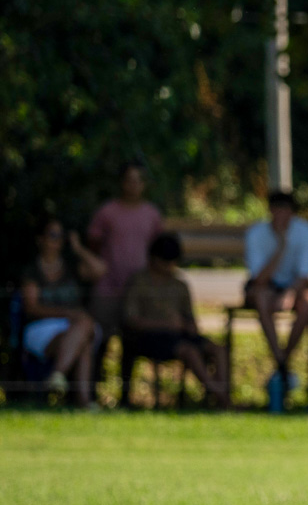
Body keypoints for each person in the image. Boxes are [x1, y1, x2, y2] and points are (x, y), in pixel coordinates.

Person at [121, 232, 227, 406]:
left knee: (218, 350)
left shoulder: (179, 285)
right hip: (148, 337)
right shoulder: (138, 282)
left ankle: (221, 396)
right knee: (189, 351)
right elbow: (130, 320)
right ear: (154, 259)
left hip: (179, 335)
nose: (170, 266)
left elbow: (191, 318)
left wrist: (189, 326)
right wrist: (164, 324)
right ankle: (223, 400)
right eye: (166, 261)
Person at [244, 190, 308, 411]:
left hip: (295, 287)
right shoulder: (256, 233)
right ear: (270, 211)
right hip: (264, 287)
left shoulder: (306, 232)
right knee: (262, 298)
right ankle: (283, 364)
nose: (281, 216)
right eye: (276, 210)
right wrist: (281, 247)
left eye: (285, 210)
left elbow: (304, 276)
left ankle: (282, 363)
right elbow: (258, 279)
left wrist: (289, 295)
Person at [18, 217, 105, 405]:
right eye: (52, 234)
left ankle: (58, 376)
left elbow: (100, 270)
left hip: (74, 328)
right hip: (42, 328)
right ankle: (83, 401)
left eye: (61, 235)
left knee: (83, 330)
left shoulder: (72, 266)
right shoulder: (32, 271)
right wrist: (68, 313)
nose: (57, 240)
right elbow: (31, 307)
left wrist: (78, 248)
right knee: (85, 329)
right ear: (40, 239)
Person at [86, 161, 163, 353]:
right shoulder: (107, 212)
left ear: (144, 184)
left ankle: (126, 384)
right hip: (107, 289)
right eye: (129, 180)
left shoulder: (152, 214)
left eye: (138, 181)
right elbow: (93, 243)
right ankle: (93, 383)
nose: (133, 185)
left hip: (138, 291)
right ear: (122, 182)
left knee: (132, 345)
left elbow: (157, 250)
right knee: (98, 342)